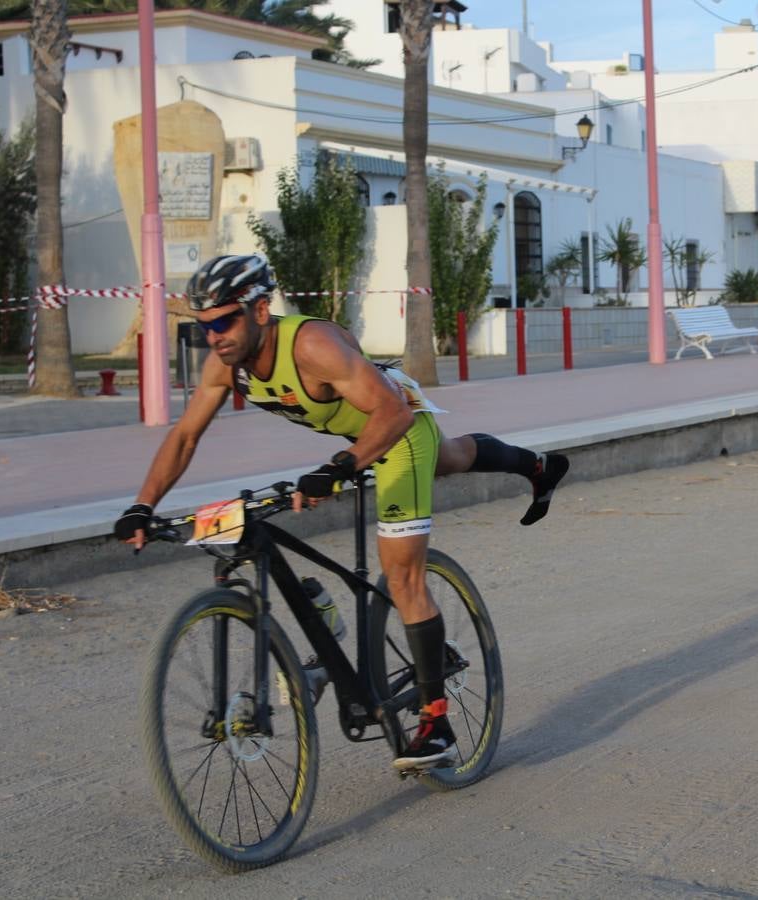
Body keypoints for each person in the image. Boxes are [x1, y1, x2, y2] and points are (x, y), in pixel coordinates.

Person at [112, 255, 570, 771]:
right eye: (204, 326)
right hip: (356, 433)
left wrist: (341, 466)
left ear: (261, 310)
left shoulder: (312, 346)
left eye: (223, 321)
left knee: (402, 573)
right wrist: (141, 505)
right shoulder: (225, 362)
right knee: (455, 456)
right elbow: (186, 435)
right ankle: (538, 466)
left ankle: (436, 725)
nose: (214, 336)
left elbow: (393, 413)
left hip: (395, 425)